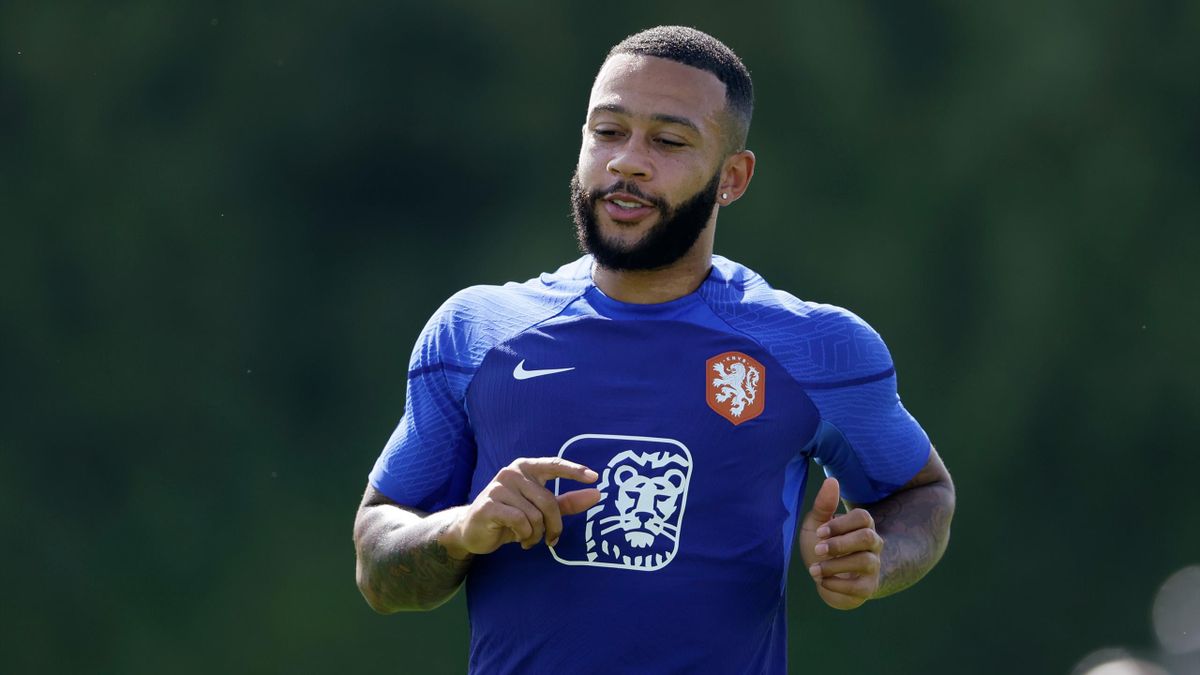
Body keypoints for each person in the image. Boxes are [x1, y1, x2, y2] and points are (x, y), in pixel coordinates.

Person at [353, 25, 955, 674]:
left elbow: (922, 492)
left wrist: (874, 559)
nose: (628, 162)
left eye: (668, 141)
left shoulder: (816, 349)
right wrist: (459, 529)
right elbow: (377, 565)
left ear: (732, 178)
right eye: (608, 131)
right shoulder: (473, 334)